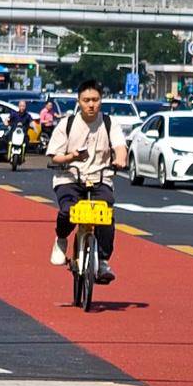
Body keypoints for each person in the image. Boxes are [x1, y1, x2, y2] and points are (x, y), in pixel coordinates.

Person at [45, 79, 127, 284]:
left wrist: (120, 159)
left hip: (100, 178)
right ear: (78, 101)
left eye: (95, 100)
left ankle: (103, 261)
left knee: (105, 215)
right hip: (70, 178)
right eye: (86, 100)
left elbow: (120, 146)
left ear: (101, 101)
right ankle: (61, 239)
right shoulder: (67, 124)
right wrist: (71, 157)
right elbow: (54, 156)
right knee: (67, 211)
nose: (91, 104)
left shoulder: (109, 123)